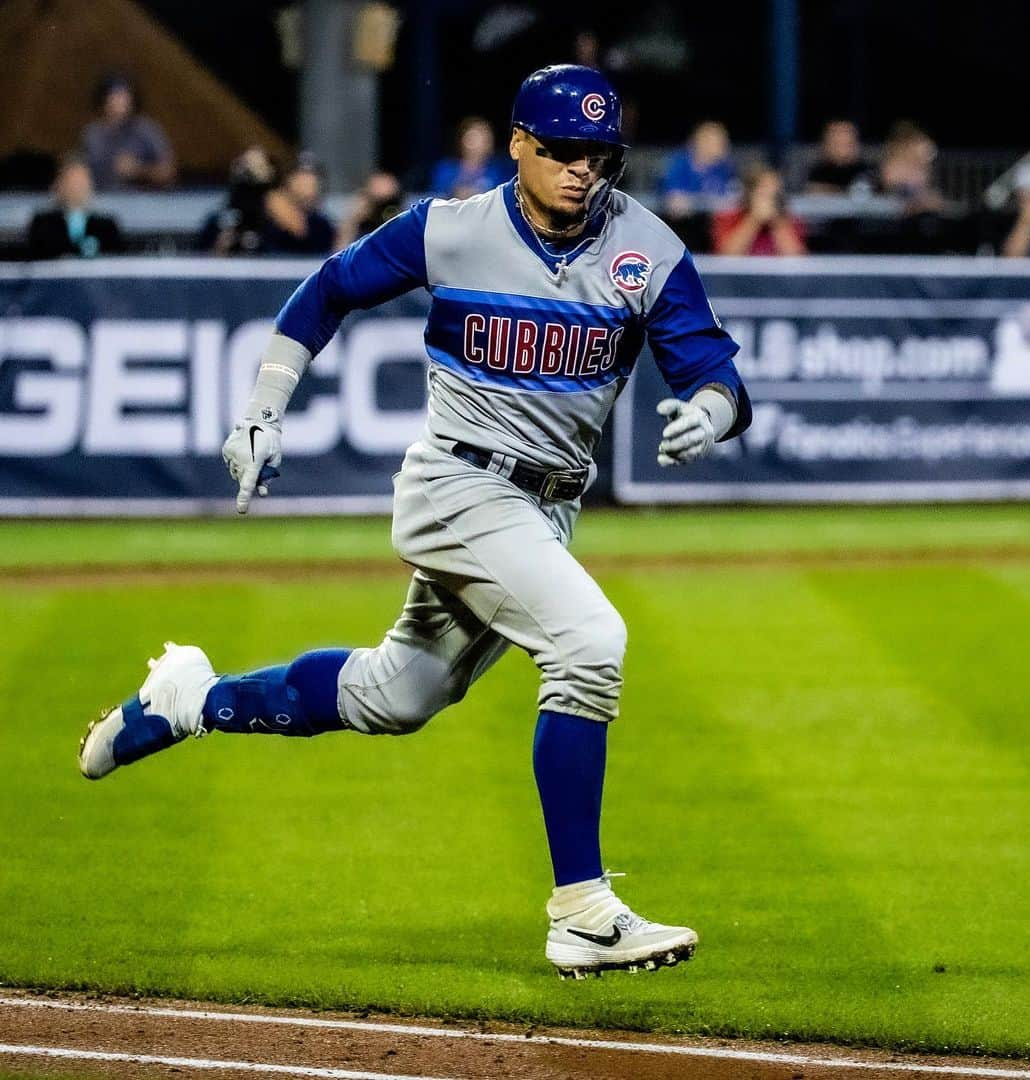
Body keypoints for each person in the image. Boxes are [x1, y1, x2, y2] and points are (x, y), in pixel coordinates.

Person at [79, 65, 751, 980]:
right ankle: (582, 911)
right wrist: (263, 409)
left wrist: (713, 410)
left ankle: (191, 700)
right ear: (517, 145)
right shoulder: (452, 228)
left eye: (598, 155)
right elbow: (326, 291)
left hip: (546, 507)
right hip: (458, 486)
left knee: (396, 696)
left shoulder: (649, 251)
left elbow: (715, 368)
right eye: (559, 150)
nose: (580, 170)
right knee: (589, 642)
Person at [80, 74, 175, 191]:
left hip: (141, 200)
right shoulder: (92, 134)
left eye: (124, 96)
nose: (120, 101)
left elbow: (168, 172)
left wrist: (138, 169)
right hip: (101, 197)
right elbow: (81, 169)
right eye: (114, 96)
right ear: (103, 99)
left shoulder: (146, 130)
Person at [26, 155, 123, 260]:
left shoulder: (107, 226)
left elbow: (116, 262)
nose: (76, 188)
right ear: (58, 186)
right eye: (71, 182)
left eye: (81, 182)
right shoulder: (42, 224)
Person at [196, 146, 278, 256]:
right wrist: (218, 249)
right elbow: (197, 261)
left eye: (257, 167)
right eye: (244, 165)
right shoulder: (218, 221)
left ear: (272, 172)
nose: (249, 174)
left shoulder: (278, 221)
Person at [712, 164, 807, 256]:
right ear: (750, 192)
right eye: (763, 191)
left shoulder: (791, 220)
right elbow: (727, 256)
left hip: (777, 271)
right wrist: (754, 220)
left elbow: (796, 258)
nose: (769, 197)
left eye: (774, 192)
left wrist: (776, 221)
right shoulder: (729, 216)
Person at [659, 120, 738, 219]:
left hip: (709, 225)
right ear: (701, 142)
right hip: (676, 224)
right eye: (719, 142)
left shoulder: (724, 167)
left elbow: (732, 201)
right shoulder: (678, 163)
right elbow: (675, 203)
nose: (725, 146)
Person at [260, 155, 336, 255]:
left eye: (314, 180)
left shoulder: (321, 224)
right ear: (288, 181)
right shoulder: (266, 214)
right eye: (301, 179)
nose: (309, 186)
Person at [430, 116, 512, 199]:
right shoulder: (445, 169)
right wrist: (454, 193)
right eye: (474, 137)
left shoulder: (499, 172)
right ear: (462, 140)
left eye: (485, 138)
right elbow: (435, 196)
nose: (478, 143)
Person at [335, 171, 403, 249]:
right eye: (377, 203)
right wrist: (353, 219)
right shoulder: (359, 225)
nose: (383, 210)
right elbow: (339, 252)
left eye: (388, 202)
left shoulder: (405, 223)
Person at [804, 119, 872, 195]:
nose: (843, 151)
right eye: (837, 144)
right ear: (826, 145)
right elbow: (813, 192)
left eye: (848, 144)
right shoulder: (817, 173)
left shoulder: (868, 172)